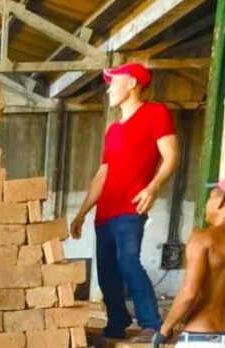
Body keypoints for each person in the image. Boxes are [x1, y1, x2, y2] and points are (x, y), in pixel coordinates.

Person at [70, 62, 179, 342]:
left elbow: (171, 156)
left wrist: (153, 187)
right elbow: (102, 174)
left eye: (112, 83)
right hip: (105, 211)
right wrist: (82, 213)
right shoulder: (113, 131)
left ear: (132, 84)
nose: (108, 90)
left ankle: (152, 325)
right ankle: (117, 322)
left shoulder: (155, 113)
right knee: (106, 272)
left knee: (128, 261)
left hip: (131, 208)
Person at [152, 180, 225, 348]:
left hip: (202, 336)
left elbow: (189, 293)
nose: (206, 204)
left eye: (209, 198)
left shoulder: (203, 239)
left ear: (221, 202)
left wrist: (165, 329)